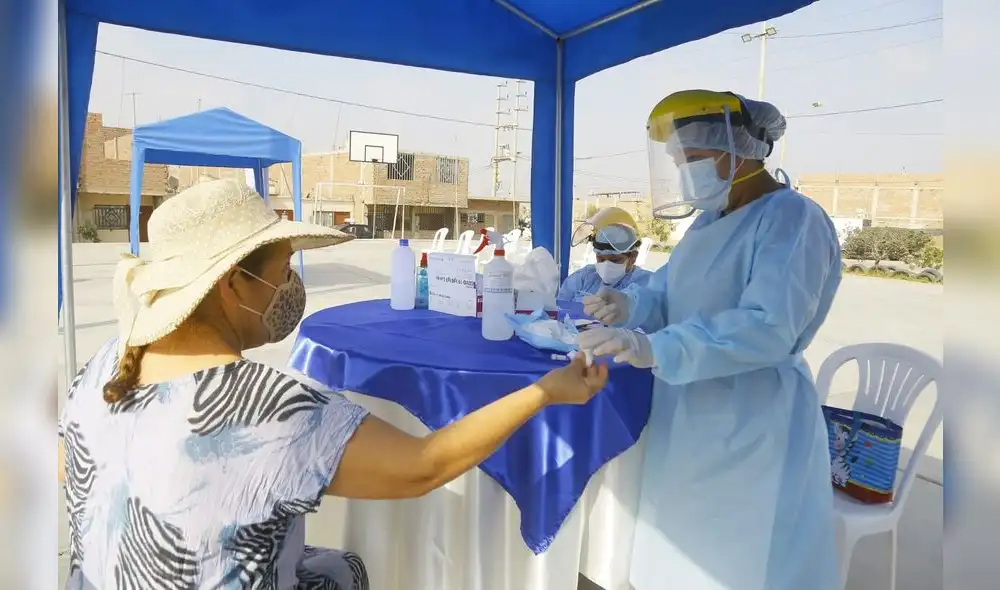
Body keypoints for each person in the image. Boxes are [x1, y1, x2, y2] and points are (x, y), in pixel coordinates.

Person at [57, 178, 608, 590]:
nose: (291, 285)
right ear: (232, 285)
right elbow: (425, 465)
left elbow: (72, 468)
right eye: (283, 269)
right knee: (344, 572)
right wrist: (546, 391)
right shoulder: (265, 410)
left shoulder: (106, 364)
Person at [577, 90, 842, 590]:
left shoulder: (792, 219)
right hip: (689, 410)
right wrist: (631, 306)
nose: (685, 174)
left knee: (739, 561)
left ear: (739, 152)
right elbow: (672, 291)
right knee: (678, 547)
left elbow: (768, 327)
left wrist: (657, 348)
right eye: (679, 162)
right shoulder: (708, 222)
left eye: (694, 159)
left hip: (753, 417)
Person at [558, 208, 653, 302]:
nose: (606, 265)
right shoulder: (583, 278)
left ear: (633, 257)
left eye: (615, 260)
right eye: (601, 259)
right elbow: (559, 307)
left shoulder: (648, 283)